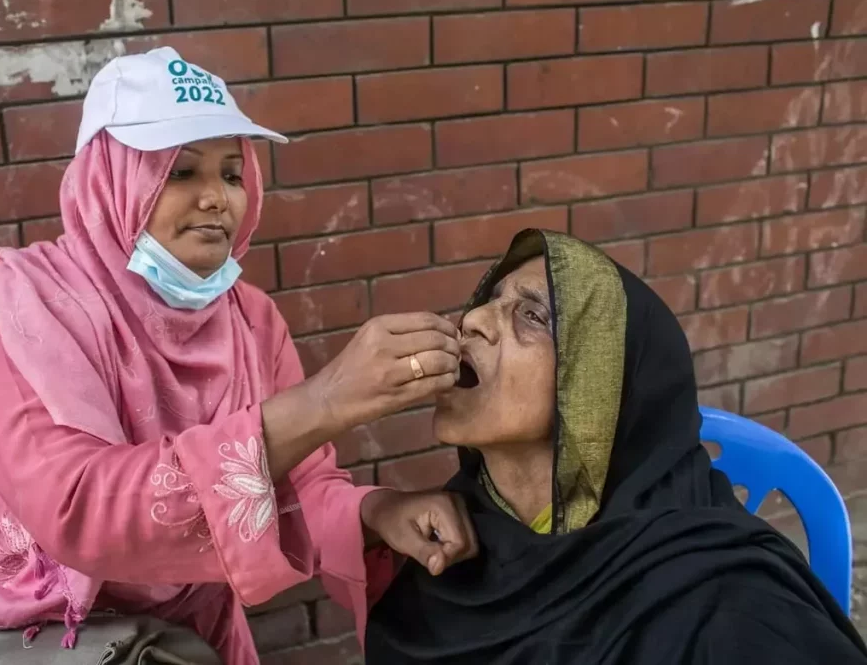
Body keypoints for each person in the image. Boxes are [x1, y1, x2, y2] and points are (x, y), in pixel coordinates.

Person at [0, 47, 478, 665]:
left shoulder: (250, 320)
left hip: (177, 640)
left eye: (232, 173)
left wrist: (376, 511)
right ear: (110, 179)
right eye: (182, 173)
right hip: (14, 633)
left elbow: (298, 485)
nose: (219, 198)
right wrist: (325, 401)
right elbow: (75, 508)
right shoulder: (17, 307)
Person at [365, 228, 867, 664]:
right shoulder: (454, 549)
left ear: (596, 390)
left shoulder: (724, 603)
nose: (473, 320)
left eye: (533, 316)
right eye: (490, 300)